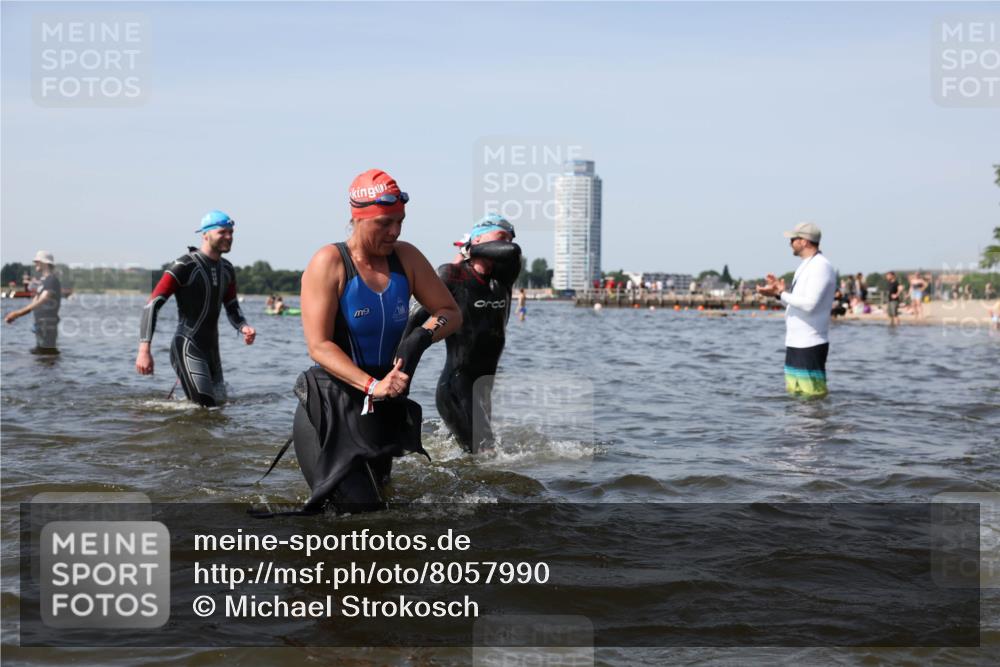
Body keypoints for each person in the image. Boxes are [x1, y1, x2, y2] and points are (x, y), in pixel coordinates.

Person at [293, 168, 461, 513]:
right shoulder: (330, 262)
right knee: (360, 517)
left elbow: (450, 311)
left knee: (381, 511)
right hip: (332, 406)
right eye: (384, 222)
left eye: (400, 221)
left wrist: (422, 336)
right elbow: (319, 345)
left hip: (382, 408)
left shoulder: (406, 258)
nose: (395, 231)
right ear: (358, 218)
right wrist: (372, 385)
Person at [406, 214, 522, 453]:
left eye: (510, 238)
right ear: (478, 238)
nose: (507, 243)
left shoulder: (503, 279)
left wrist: (472, 249)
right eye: (501, 237)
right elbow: (414, 322)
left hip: (484, 388)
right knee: (487, 454)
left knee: (471, 457)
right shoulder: (453, 275)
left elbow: (512, 252)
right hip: (455, 386)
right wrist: (398, 371)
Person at [135, 210, 256, 406]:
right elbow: (152, 305)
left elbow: (232, 306)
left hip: (212, 351)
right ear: (205, 234)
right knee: (206, 409)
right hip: (187, 345)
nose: (229, 237)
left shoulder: (227, 269)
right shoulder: (184, 265)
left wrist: (243, 327)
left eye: (231, 232)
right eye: (223, 232)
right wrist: (144, 350)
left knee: (219, 407)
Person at [756, 222, 837, 398]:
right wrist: (777, 294)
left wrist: (781, 292)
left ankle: (816, 426)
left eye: (793, 239)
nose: (790, 242)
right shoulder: (805, 265)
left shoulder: (820, 266)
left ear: (805, 241)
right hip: (796, 342)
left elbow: (809, 305)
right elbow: (796, 303)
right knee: (796, 399)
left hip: (810, 343)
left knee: (812, 398)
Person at [4, 251, 62, 353]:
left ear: (44, 263)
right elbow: (34, 303)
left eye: (37, 261)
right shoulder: (44, 282)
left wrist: (17, 313)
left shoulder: (51, 280)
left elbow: (43, 299)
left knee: (46, 356)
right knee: (42, 357)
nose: (35, 263)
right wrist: (16, 315)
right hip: (41, 325)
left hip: (47, 326)